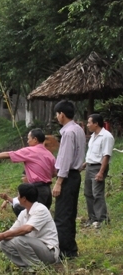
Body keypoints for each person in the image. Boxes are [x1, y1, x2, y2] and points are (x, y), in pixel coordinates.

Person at [0, 128, 57, 212]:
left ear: (35, 139)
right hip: (47, 191)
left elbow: (9, 154)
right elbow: (54, 173)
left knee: (25, 212)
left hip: (36, 189)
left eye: (28, 139)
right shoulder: (50, 155)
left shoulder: (30, 151)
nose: (27, 141)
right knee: (41, 217)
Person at [0, 183, 59, 269]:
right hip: (35, 248)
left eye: (18, 194)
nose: (17, 197)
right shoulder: (23, 213)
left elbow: (27, 229)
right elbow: (12, 232)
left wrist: (4, 235)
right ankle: (26, 267)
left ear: (24, 199)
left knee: (19, 239)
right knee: (3, 243)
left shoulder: (41, 209)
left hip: (49, 252)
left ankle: (37, 268)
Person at [52, 100, 86, 259]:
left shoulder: (68, 132)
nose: (56, 117)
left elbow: (65, 159)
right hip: (75, 175)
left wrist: (59, 182)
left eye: (57, 114)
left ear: (62, 115)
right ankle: (70, 247)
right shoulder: (78, 129)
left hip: (67, 176)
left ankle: (65, 251)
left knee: (62, 214)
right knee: (70, 212)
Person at [81, 114, 114, 229]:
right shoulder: (93, 136)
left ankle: (102, 219)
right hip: (90, 166)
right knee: (88, 193)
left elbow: (106, 156)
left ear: (96, 123)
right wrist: (85, 164)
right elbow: (92, 154)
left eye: (89, 122)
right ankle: (92, 218)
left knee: (97, 194)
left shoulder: (106, 136)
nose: (88, 125)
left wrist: (101, 172)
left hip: (98, 167)